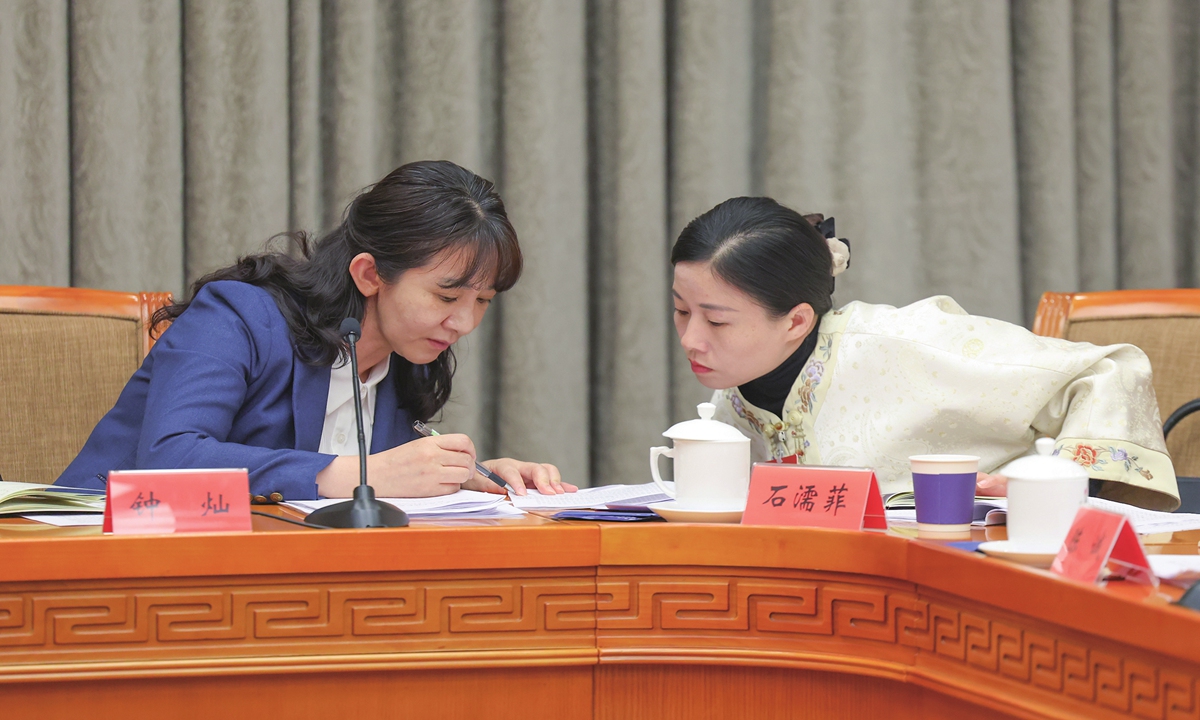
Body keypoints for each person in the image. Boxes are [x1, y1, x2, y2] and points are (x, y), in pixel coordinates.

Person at [57, 160, 575, 501]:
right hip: (100, 559)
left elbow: (378, 471)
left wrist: (470, 477)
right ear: (370, 274)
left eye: (482, 301)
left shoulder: (403, 356)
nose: (463, 323)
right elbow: (169, 459)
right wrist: (363, 477)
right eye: (446, 296)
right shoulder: (238, 316)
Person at [670, 196, 1180, 511]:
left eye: (715, 320)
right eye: (680, 311)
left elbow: (1110, 370)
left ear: (797, 321)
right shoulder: (733, 402)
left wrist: (1059, 480)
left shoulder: (910, 346)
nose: (692, 339)